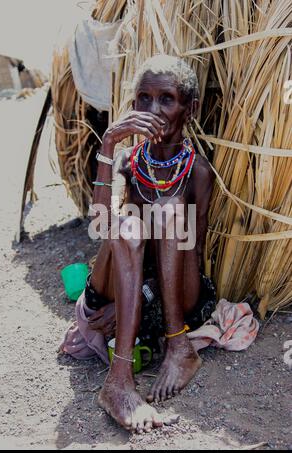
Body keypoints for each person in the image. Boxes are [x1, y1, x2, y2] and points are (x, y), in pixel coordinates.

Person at [63, 54, 215, 433]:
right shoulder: (127, 160)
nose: (154, 108)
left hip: (174, 296)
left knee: (167, 212)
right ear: (133, 107)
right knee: (127, 228)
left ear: (189, 109)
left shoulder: (198, 171)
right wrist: (110, 142)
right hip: (117, 278)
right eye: (143, 99)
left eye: (166, 98)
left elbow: (192, 253)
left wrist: (146, 298)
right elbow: (101, 227)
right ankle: (119, 380)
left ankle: (179, 346)